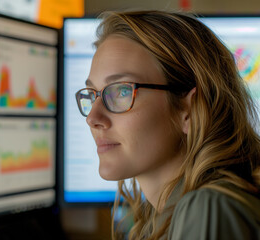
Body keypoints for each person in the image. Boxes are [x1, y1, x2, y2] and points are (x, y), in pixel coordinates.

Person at [75, 11, 260, 240]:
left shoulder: (208, 208)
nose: (92, 117)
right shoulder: (159, 218)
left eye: (122, 91)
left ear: (190, 109)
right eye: (92, 94)